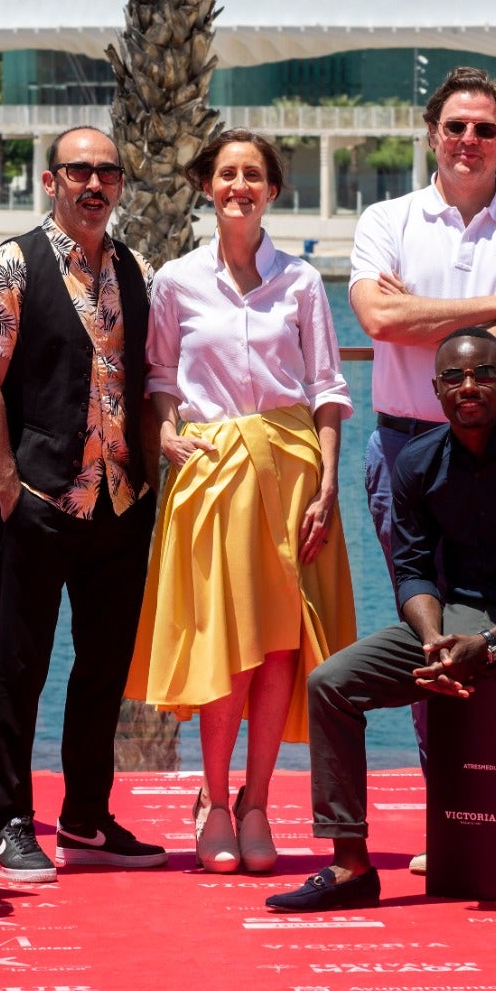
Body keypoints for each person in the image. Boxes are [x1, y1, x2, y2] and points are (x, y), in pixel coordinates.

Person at [265, 328, 496, 936]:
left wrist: (489, 644)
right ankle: (350, 867)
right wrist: (435, 637)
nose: (470, 387)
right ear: (437, 389)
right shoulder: (416, 462)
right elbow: (413, 568)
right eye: (455, 378)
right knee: (331, 682)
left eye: (484, 374)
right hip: (456, 614)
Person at [348, 65, 496, 873]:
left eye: (485, 128)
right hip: (408, 449)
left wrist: (430, 320)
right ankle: (452, 804)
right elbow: (378, 316)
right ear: (431, 134)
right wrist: (493, 312)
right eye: (455, 127)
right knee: (431, 627)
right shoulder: (386, 219)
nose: (469, 141)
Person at [124, 130, 357, 874]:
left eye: (253, 174)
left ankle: (259, 802)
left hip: (292, 473)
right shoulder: (176, 282)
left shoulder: (301, 281)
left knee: (282, 641)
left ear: (273, 190)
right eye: (227, 173)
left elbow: (326, 389)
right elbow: (159, 379)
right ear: (207, 185)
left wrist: (327, 481)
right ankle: (215, 800)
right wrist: (164, 439)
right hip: (212, 471)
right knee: (227, 642)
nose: (239, 186)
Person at [0, 125, 166, 884]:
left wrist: (149, 482)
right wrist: (8, 483)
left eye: (107, 172)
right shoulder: (11, 265)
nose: (94, 183)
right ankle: (8, 817)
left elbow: (143, 386)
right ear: (51, 181)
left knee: (103, 666)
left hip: (120, 502)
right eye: (79, 170)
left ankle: (86, 815)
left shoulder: (137, 269)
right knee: (20, 664)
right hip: (40, 499)